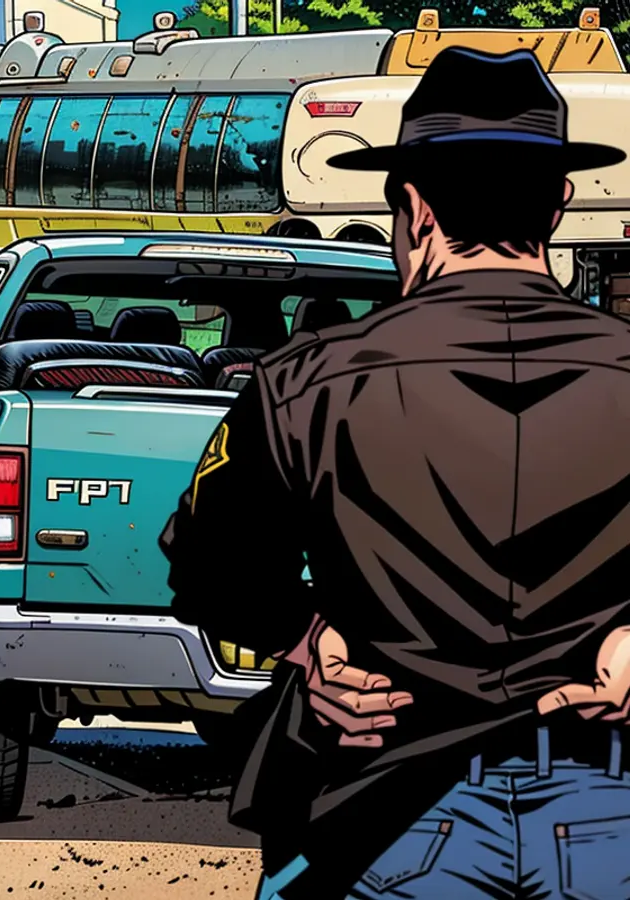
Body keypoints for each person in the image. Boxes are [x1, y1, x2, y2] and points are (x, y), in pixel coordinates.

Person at [159, 48, 630, 900]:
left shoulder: (306, 380)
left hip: (380, 811)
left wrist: (310, 644)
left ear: (411, 209)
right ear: (559, 204)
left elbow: (204, 566)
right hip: (612, 809)